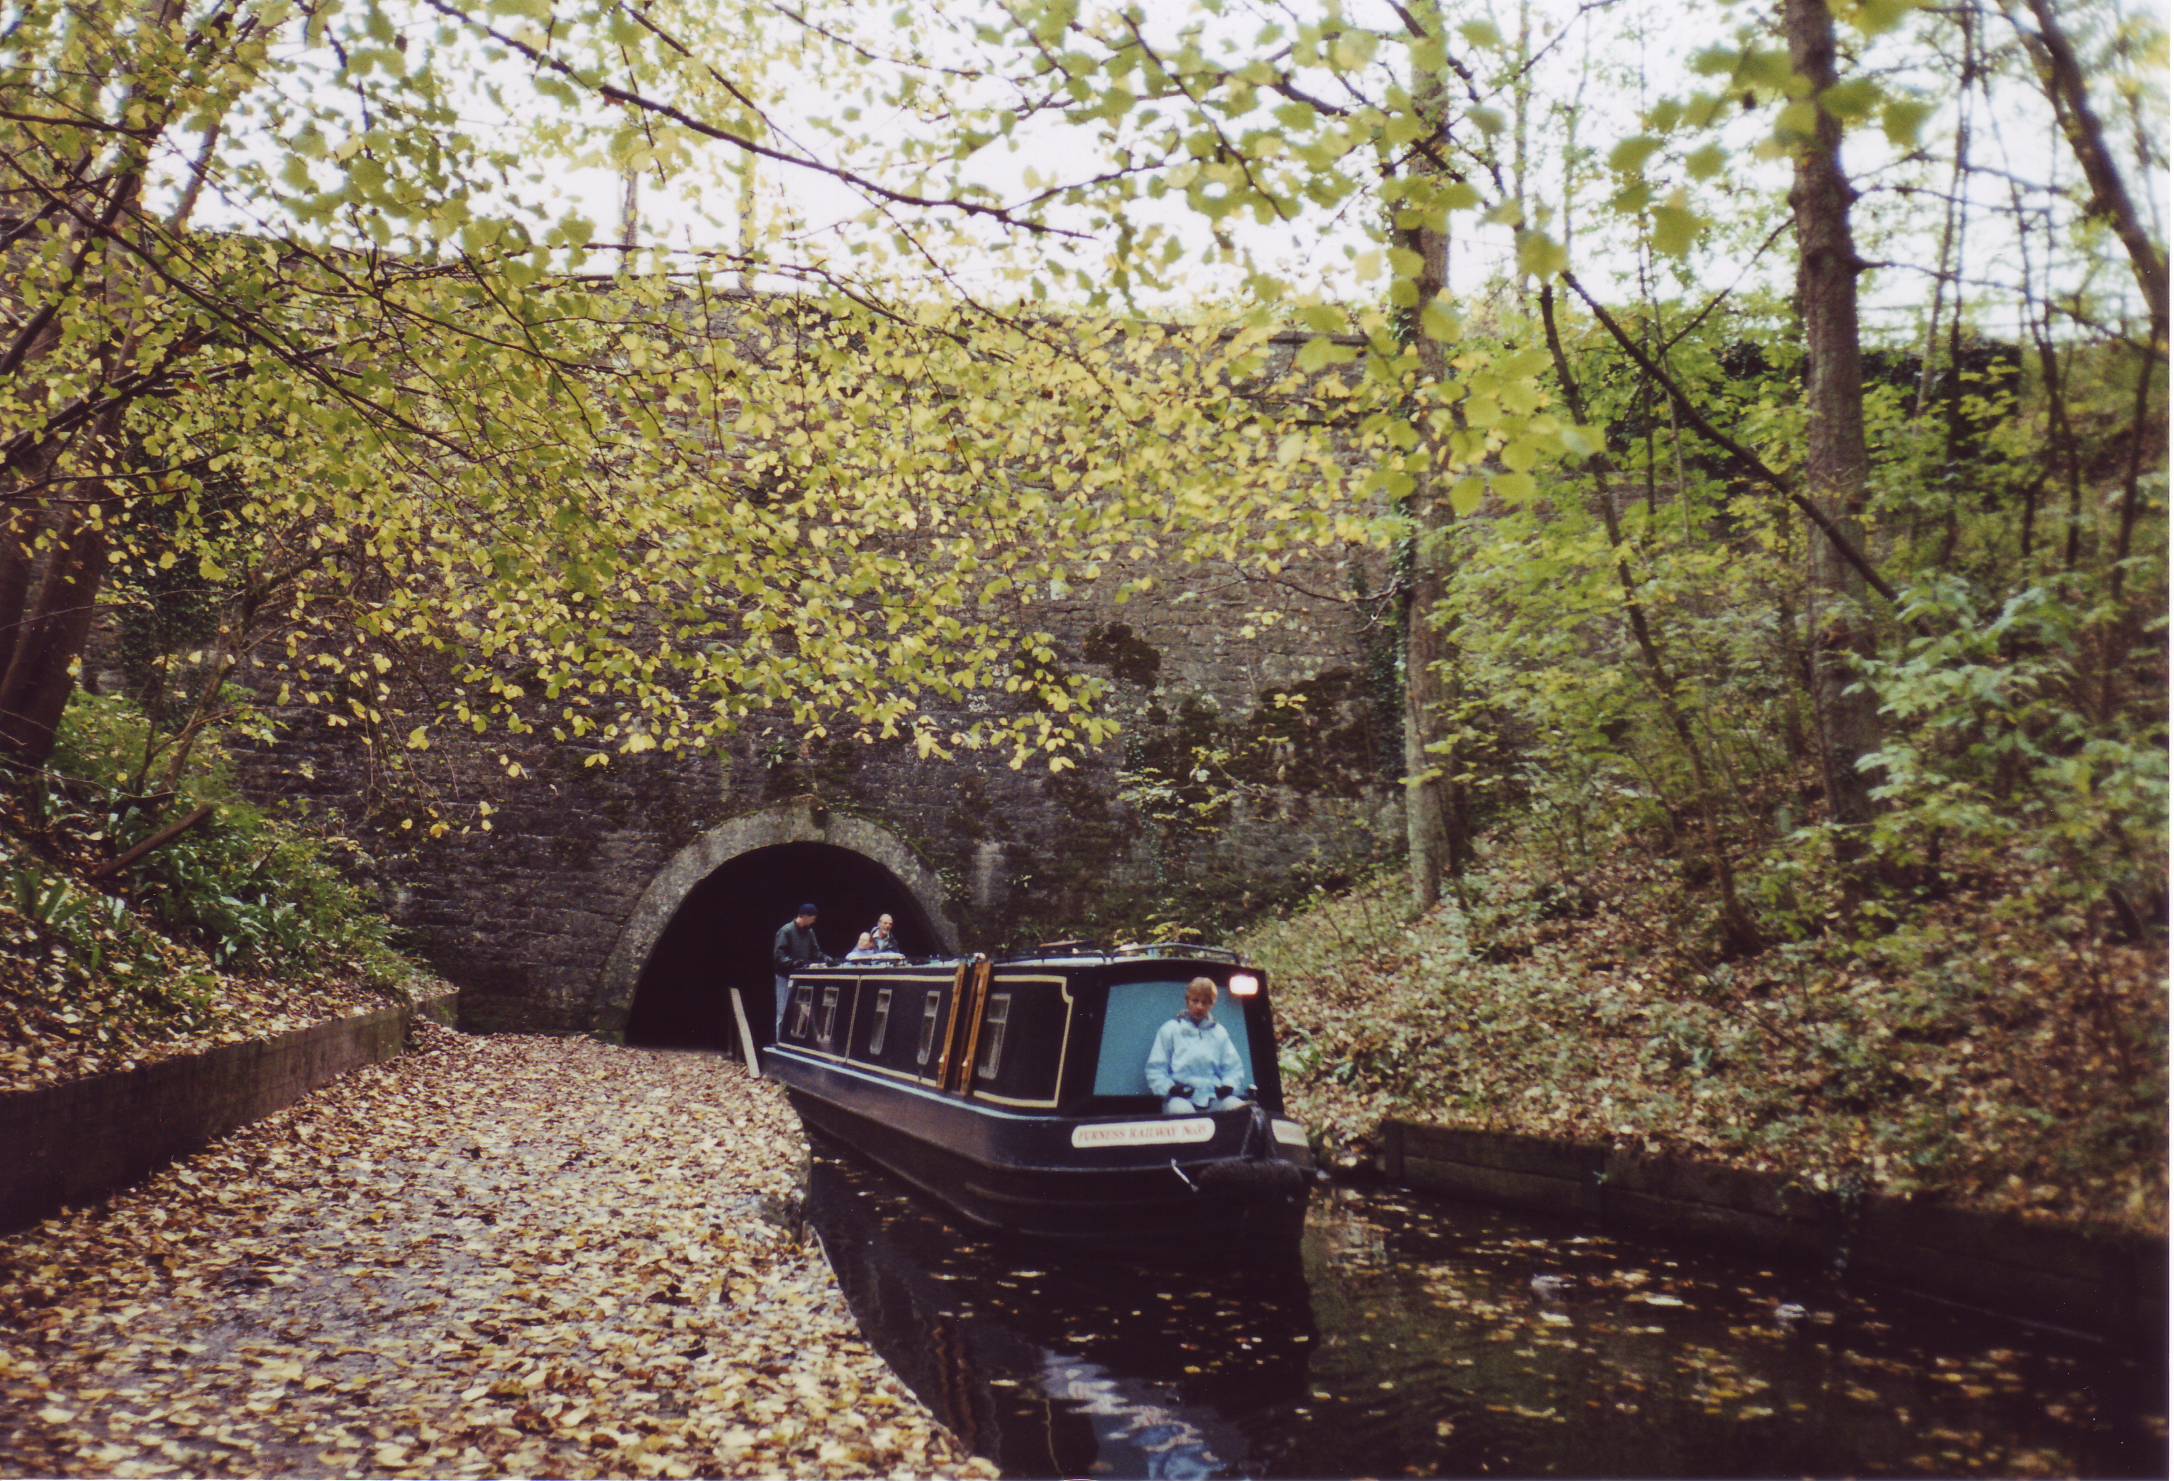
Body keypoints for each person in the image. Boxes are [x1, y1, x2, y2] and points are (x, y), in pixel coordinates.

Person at [1145, 976, 1249, 1115]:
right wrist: (1170, 1089)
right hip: (1181, 1099)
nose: (1199, 1006)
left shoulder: (1219, 1033)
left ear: (1212, 1005)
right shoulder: (1170, 1029)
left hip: (1213, 1099)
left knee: (1239, 1109)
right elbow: (1155, 1070)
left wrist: (1228, 1086)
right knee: (1182, 1112)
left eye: (1205, 1002)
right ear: (1187, 1000)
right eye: (1195, 1000)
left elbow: (1233, 1069)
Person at [771, 903, 823, 1032]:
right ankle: (779, 1042)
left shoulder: (810, 932)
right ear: (805, 916)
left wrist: (826, 959)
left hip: (801, 979)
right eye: (813, 917)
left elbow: (816, 952)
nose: (814, 921)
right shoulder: (786, 931)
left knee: (799, 1013)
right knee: (782, 1012)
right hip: (785, 977)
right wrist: (793, 963)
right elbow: (779, 955)